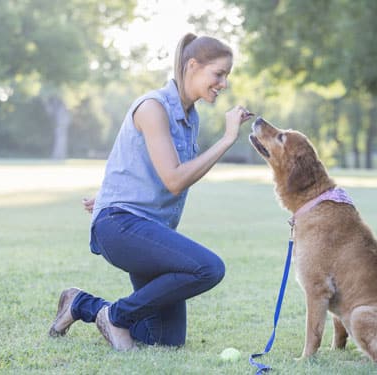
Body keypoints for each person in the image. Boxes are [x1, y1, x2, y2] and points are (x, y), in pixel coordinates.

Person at [49, 33, 253, 350]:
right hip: (121, 227)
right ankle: (115, 317)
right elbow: (173, 179)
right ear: (193, 66)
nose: (223, 83)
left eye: (226, 76)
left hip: (146, 228)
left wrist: (108, 193)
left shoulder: (189, 118)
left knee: (163, 340)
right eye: (219, 74)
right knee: (209, 268)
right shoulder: (152, 107)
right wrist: (227, 139)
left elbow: (140, 163)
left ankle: (81, 304)